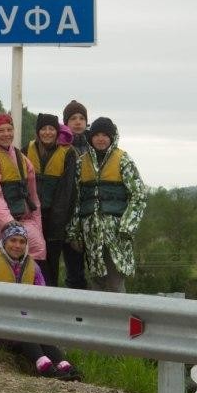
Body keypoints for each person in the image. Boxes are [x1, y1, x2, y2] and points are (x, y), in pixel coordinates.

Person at [0, 222, 81, 381]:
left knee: (36, 331)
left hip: (25, 323)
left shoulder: (33, 266)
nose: (17, 245)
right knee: (25, 328)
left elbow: (42, 299)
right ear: (4, 241)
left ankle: (64, 366)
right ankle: (44, 367)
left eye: (22, 241)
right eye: (13, 240)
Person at [66, 116, 147, 292]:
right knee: (97, 283)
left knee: (115, 284)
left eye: (105, 135)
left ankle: (119, 319)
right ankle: (98, 319)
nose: (101, 139)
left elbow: (139, 195)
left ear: (111, 137)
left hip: (116, 235)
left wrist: (127, 227)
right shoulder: (82, 162)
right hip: (91, 235)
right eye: (97, 135)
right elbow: (77, 201)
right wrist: (74, 233)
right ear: (91, 137)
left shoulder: (123, 160)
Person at [0, 113, 45, 274]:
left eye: (9, 130)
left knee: (38, 249)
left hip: (24, 221)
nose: (6, 134)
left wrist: (36, 226)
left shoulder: (22, 159)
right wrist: (10, 225)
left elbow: (33, 198)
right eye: (1, 131)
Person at [25, 114, 77, 287]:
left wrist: (57, 224)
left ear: (57, 131)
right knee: (31, 263)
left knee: (51, 265)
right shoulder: (27, 150)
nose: (47, 132)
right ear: (37, 131)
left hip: (55, 220)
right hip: (31, 217)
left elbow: (66, 192)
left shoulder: (68, 153)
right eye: (43, 129)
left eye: (51, 129)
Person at [61, 99, 90, 289]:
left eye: (81, 118)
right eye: (73, 118)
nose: (78, 122)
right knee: (74, 272)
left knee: (97, 271)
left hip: (90, 216)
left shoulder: (96, 146)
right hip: (68, 218)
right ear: (66, 122)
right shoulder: (61, 148)